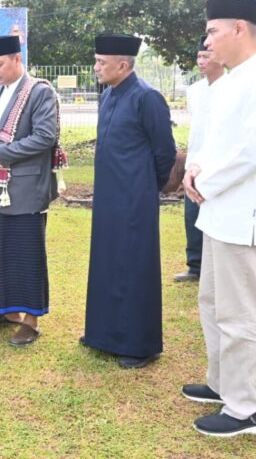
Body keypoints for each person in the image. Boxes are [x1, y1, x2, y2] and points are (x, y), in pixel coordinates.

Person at [181, 0, 256, 437]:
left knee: (241, 313)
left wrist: (204, 183)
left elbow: (252, 153)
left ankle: (246, 409)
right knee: (213, 303)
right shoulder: (232, 80)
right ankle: (222, 383)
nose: (207, 41)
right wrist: (194, 168)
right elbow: (216, 141)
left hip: (244, 213)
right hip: (219, 211)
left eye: (213, 31)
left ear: (239, 30)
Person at [81, 34, 176, 368]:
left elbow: (165, 152)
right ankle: (103, 334)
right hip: (108, 196)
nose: (96, 68)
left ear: (123, 65)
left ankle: (138, 345)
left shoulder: (147, 97)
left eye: (101, 63)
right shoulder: (108, 94)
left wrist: (147, 187)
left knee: (134, 266)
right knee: (107, 261)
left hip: (135, 198)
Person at [0, 35, 61, 347]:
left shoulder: (39, 92)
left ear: (17, 59)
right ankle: (4, 309)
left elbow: (45, 137)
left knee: (25, 254)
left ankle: (31, 321)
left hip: (24, 187)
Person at [173, 36, 225, 283]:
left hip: (219, 164)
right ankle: (195, 265)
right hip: (194, 162)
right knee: (192, 215)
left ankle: (217, 267)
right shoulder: (194, 91)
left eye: (207, 56)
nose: (201, 61)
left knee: (216, 215)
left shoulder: (231, 87)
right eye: (199, 57)